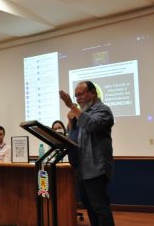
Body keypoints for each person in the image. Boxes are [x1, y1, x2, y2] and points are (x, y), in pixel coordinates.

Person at [59, 80, 115, 226]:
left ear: (93, 93)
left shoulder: (103, 110)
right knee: (89, 206)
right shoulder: (81, 114)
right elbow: (72, 139)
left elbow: (92, 124)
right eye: (76, 96)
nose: (78, 98)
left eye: (81, 94)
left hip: (96, 168)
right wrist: (71, 123)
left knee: (99, 207)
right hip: (82, 169)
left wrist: (72, 106)